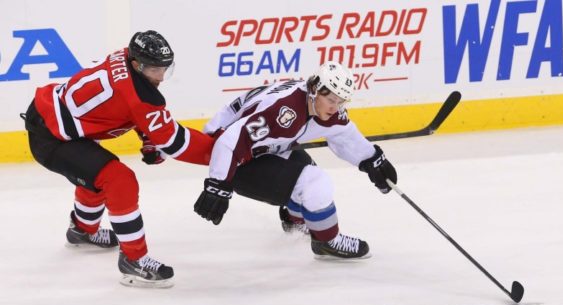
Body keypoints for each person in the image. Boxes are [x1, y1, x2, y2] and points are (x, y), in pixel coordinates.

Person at [22, 30, 214, 287]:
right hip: (52, 138)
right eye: (155, 70)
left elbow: (125, 107)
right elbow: (176, 143)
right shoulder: (140, 97)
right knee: (119, 180)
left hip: (53, 118)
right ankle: (133, 260)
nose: (161, 77)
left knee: (96, 174)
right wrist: (224, 154)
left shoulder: (124, 57)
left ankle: (82, 230)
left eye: (166, 70)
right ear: (137, 65)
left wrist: (147, 135)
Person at [193, 61, 397, 260]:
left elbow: (344, 135)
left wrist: (373, 159)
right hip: (231, 159)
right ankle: (327, 241)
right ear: (316, 90)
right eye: (332, 100)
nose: (336, 108)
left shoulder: (313, 101)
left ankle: (294, 220)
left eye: (341, 101)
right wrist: (218, 184)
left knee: (306, 170)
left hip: (258, 149)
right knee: (314, 181)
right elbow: (229, 141)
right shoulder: (285, 110)